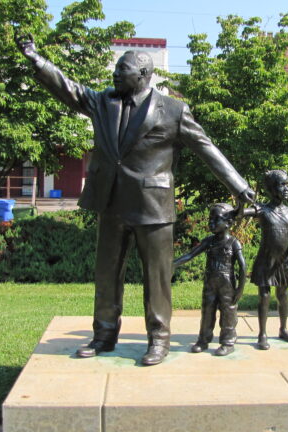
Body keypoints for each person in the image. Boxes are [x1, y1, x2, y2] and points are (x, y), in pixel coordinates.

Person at [16, 37, 255, 366]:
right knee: (106, 274)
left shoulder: (172, 110)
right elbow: (68, 89)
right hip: (111, 202)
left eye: (122, 70)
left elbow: (206, 148)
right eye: (116, 69)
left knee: (155, 277)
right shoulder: (103, 102)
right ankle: (103, 334)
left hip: (153, 206)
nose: (115, 75)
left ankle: (158, 339)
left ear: (144, 75)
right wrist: (36, 60)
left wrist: (238, 185)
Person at [173, 203, 246, 357]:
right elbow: (191, 255)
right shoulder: (209, 241)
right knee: (207, 311)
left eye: (216, 219)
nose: (211, 223)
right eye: (210, 219)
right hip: (210, 282)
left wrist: (240, 289)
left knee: (228, 312)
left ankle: (227, 342)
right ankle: (203, 340)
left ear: (228, 223)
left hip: (227, 284)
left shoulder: (233, 243)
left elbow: (242, 266)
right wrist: (173, 264)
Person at [242, 170, 288, 350]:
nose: (286, 189)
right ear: (271, 188)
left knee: (283, 295)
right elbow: (241, 213)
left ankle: (283, 329)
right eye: (281, 185)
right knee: (264, 296)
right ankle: (262, 334)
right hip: (265, 260)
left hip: (283, 262)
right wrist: (240, 199)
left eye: (287, 185)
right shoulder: (262, 210)